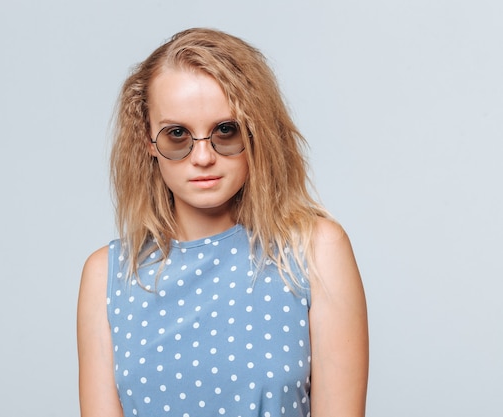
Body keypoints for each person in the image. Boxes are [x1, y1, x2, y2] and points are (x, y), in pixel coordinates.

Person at [77, 28, 368, 417]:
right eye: (177, 134)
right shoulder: (108, 276)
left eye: (225, 130)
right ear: (148, 139)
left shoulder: (315, 251)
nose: (202, 157)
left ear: (256, 131)